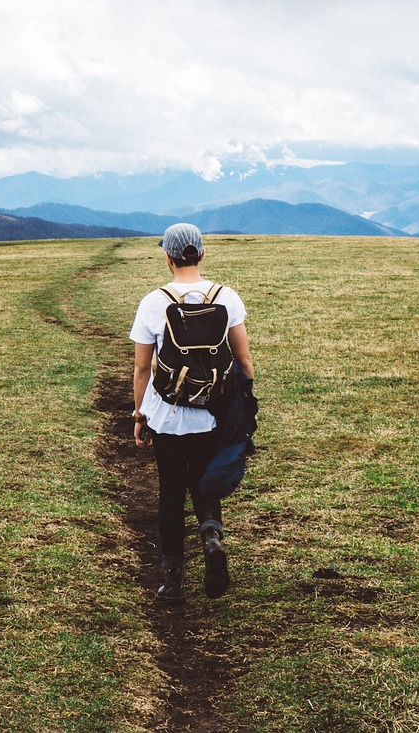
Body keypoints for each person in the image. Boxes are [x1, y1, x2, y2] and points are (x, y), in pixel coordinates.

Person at [130, 223, 255, 601]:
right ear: (202, 254)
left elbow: (141, 368)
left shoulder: (154, 301)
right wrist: (243, 407)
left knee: (170, 491)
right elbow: (244, 360)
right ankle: (212, 536)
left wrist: (140, 415)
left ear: (167, 257)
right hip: (211, 414)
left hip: (167, 414)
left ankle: (172, 580)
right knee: (205, 483)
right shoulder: (226, 296)